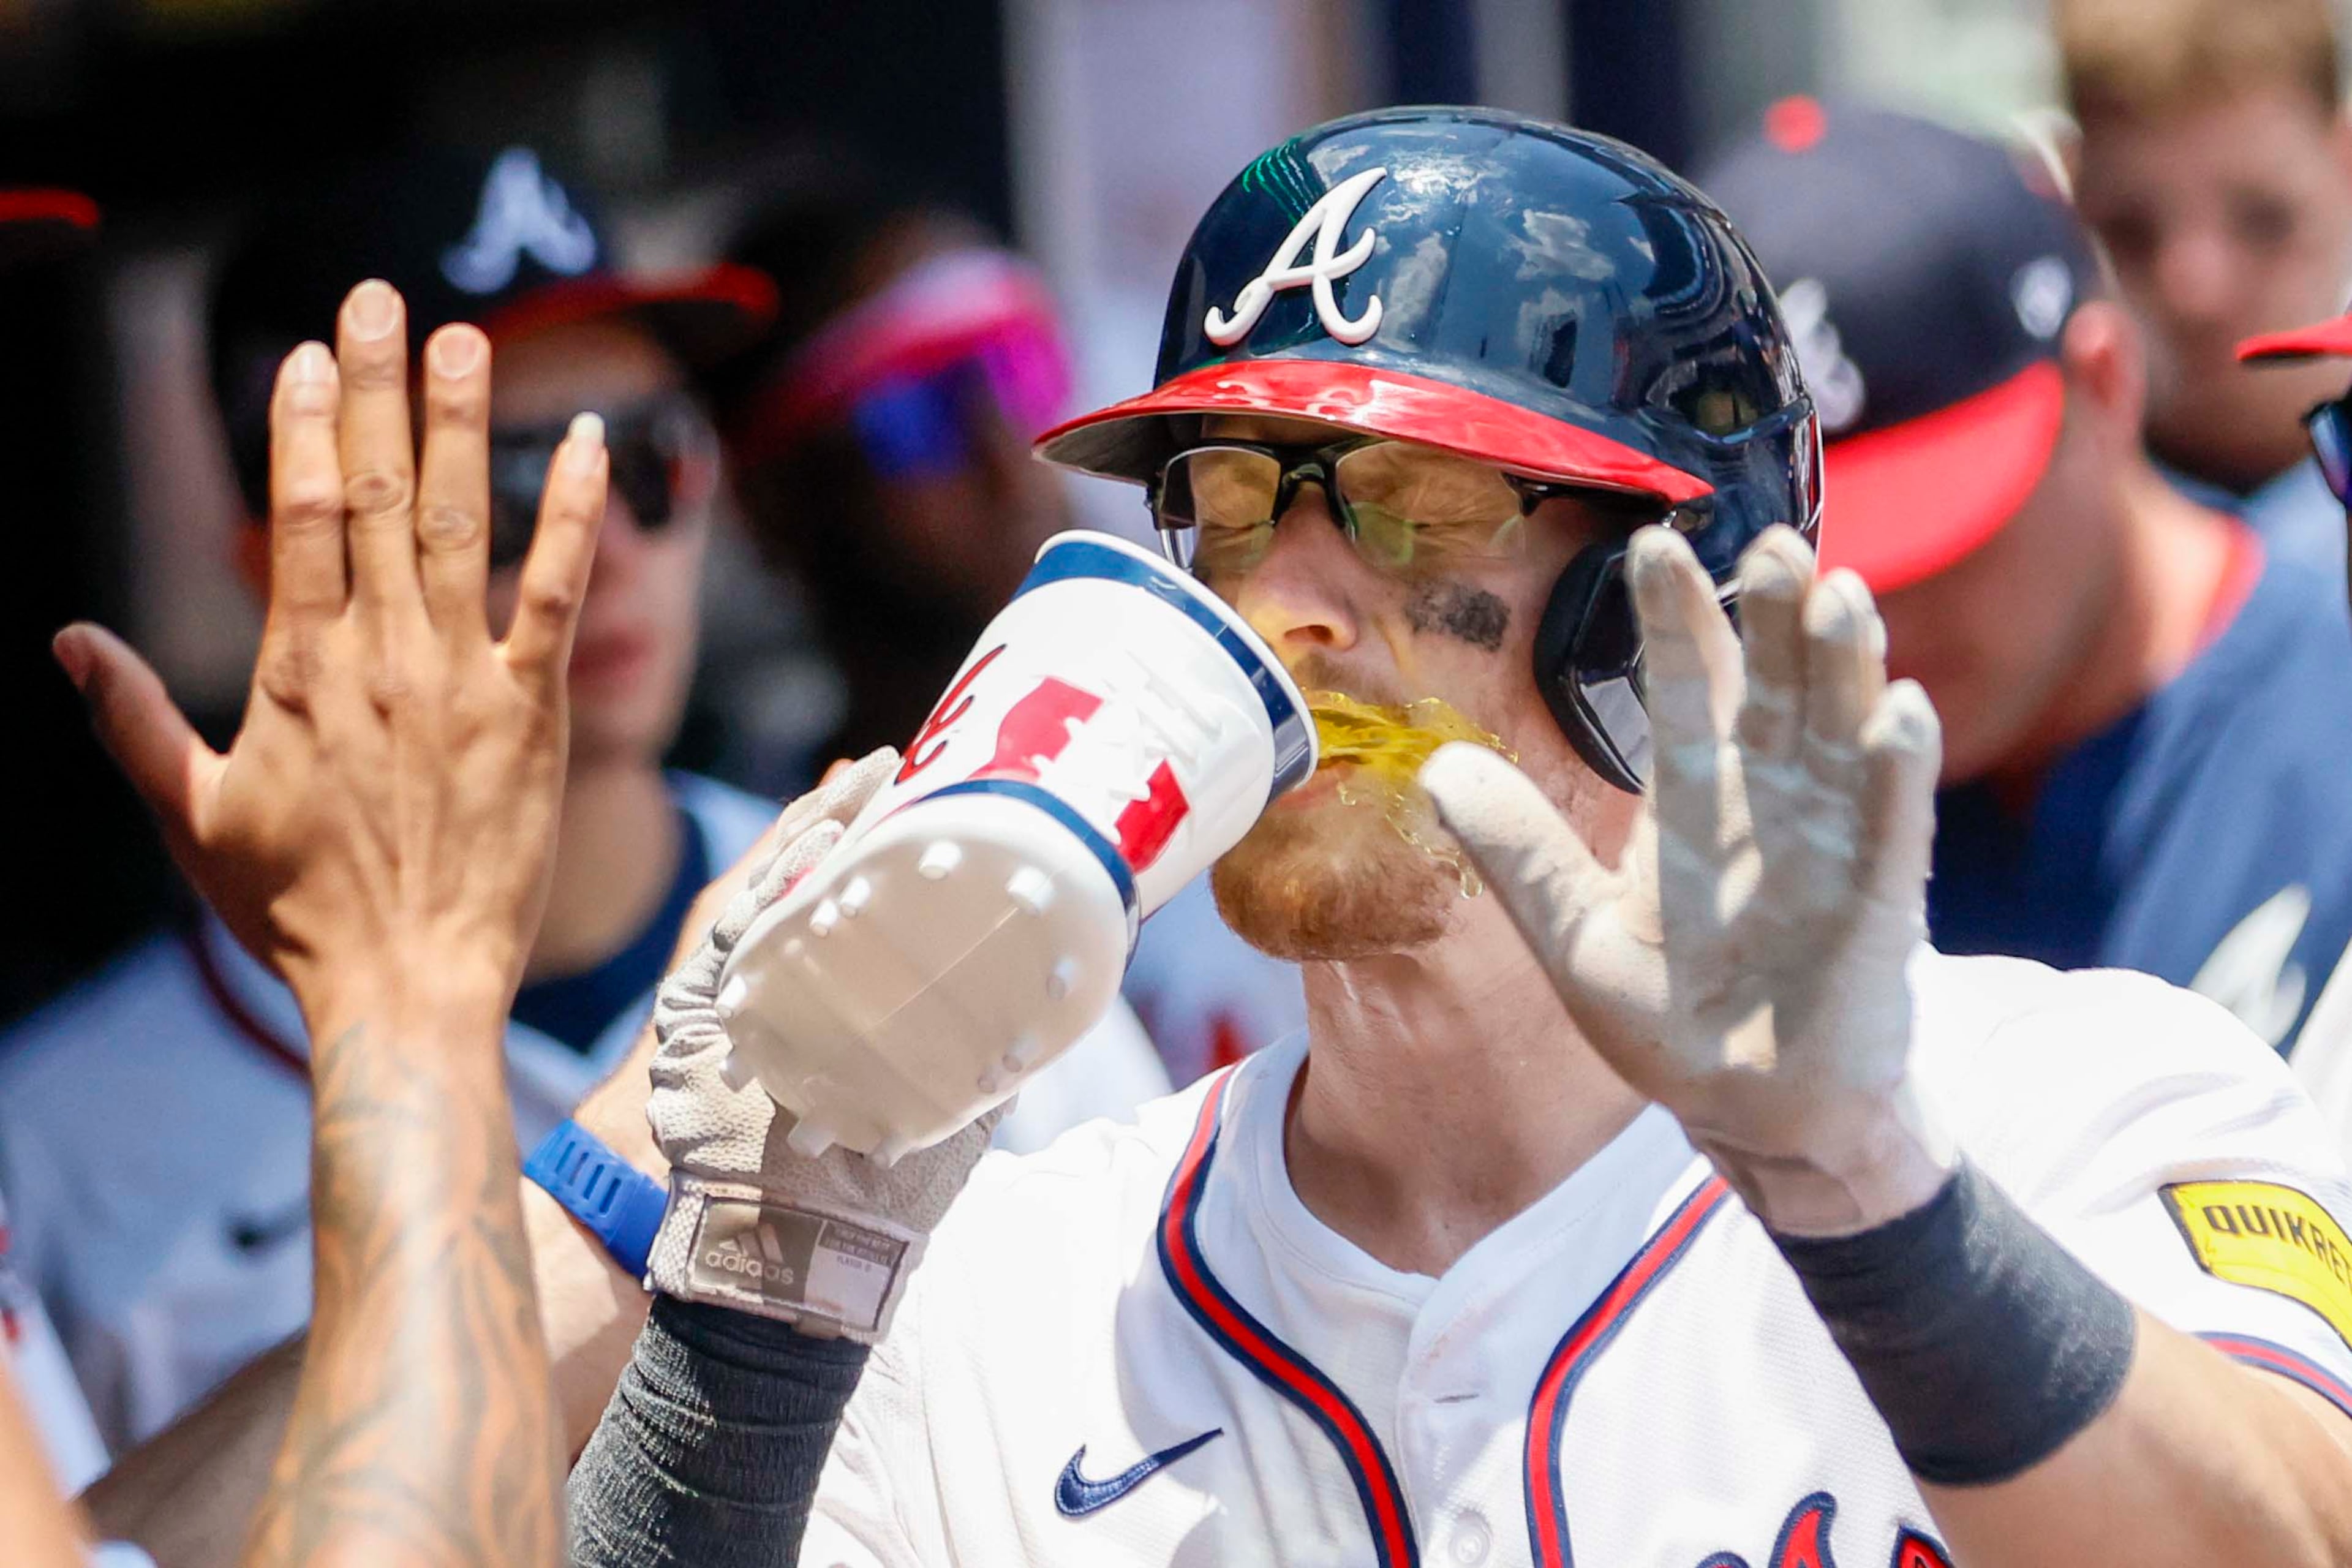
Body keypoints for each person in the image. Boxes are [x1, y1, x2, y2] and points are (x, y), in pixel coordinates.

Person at [561, 109, 2352, 1568]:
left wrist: (1871, 1204)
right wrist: (746, 1343)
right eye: (1235, 503)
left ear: (1676, 602)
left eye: (1421, 511)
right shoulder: (1012, 1295)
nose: (1291, 604)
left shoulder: (2071, 1110)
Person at [0, 143, 784, 1456]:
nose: (603, 541)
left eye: (649, 458)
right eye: (501, 483)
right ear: (278, 550)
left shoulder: (918, 901)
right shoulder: (52, 1139)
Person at [1695, 104, 2352, 1055]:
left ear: (2104, 385)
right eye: (1818, 566)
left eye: (1939, 541)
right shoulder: (1764, 817)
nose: (1868, 617)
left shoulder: (2330, 713)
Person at [709, 181, 1300, 1093]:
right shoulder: (746, 898)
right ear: (775, 502)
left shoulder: (1259, 787)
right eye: (919, 416)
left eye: (1015, 368)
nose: (1005, 450)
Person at [2054, 0, 2352, 586]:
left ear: (2347, 168)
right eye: (2130, 231)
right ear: (2068, 195)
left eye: (2265, 219)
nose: (2195, 291)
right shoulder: (2043, 557)